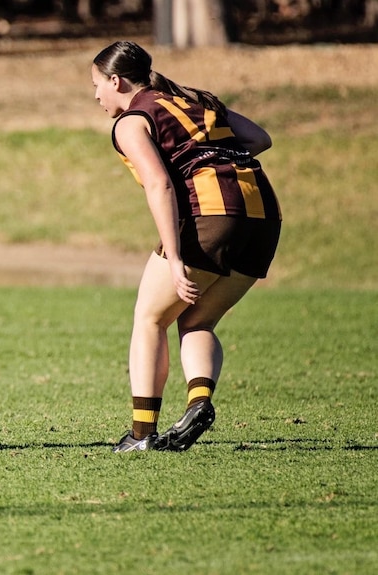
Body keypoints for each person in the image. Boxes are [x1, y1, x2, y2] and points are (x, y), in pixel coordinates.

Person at [89, 41, 282, 453]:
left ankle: (141, 434)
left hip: (211, 216)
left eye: (97, 85)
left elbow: (159, 185)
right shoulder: (195, 102)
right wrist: (210, 158)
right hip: (263, 217)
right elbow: (259, 139)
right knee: (196, 321)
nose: (96, 96)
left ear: (115, 80)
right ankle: (199, 402)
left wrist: (175, 259)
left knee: (150, 318)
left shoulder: (131, 121)